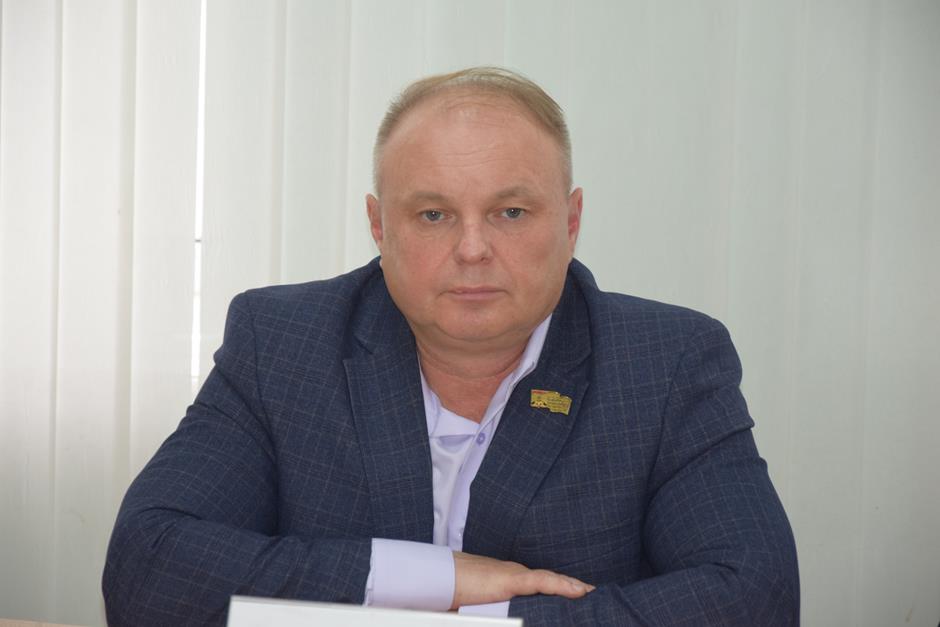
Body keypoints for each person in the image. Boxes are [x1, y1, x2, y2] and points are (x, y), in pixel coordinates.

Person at [103, 66, 799, 625]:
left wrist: (479, 618)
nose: (472, 248)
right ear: (380, 226)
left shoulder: (667, 362)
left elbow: (755, 599)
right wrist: (435, 579)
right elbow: (146, 567)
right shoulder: (282, 341)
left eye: (510, 212)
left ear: (571, 221)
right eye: (433, 214)